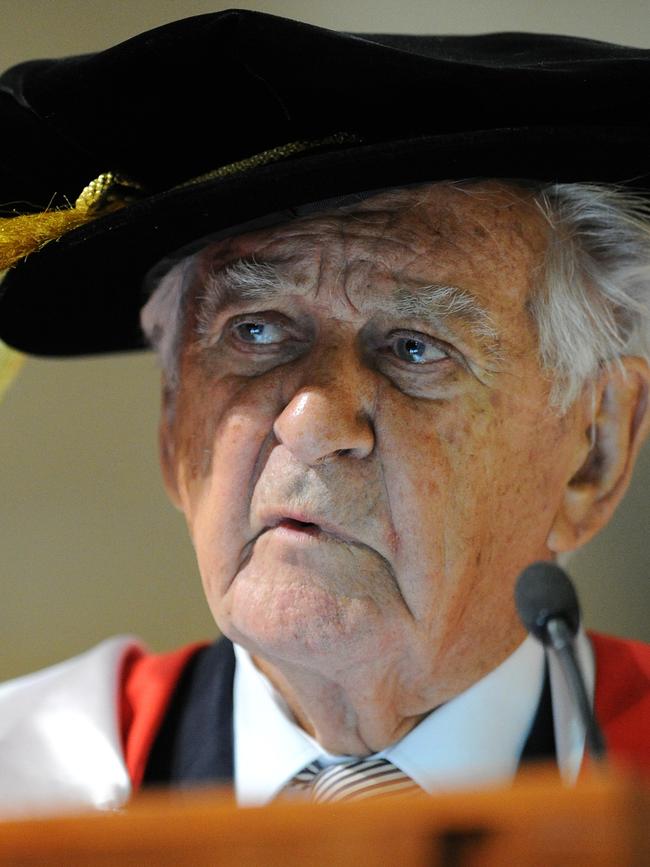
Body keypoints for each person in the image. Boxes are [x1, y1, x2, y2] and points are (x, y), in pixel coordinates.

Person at [0, 9, 648, 815]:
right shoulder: (28, 791)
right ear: (174, 428)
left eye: (414, 347)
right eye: (258, 332)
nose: (309, 419)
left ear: (597, 449)